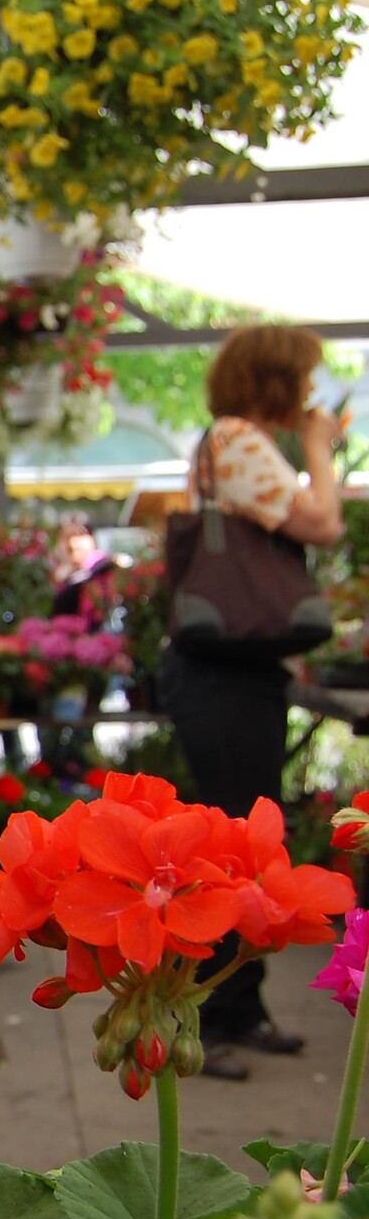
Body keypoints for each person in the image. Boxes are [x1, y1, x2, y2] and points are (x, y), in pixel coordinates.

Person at [157, 325, 345, 1082]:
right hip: (220, 675)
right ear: (277, 380)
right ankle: (199, 1016)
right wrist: (321, 448)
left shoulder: (236, 443)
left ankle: (238, 1008)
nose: (311, 393)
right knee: (234, 845)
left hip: (236, 670)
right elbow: (322, 524)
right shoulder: (237, 438)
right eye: (303, 378)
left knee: (245, 841)